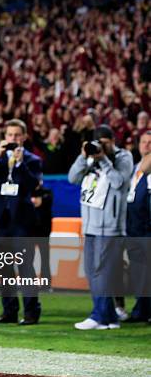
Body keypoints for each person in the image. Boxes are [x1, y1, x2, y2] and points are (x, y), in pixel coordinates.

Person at [68, 125, 133, 330]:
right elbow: (72, 178)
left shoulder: (124, 157)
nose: (101, 147)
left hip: (111, 227)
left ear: (113, 141)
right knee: (91, 271)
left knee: (102, 272)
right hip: (90, 225)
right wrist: (83, 157)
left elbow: (119, 182)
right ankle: (108, 317)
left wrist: (103, 160)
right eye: (98, 143)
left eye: (105, 142)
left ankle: (100, 316)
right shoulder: (90, 159)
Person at [0, 119, 43, 325]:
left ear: (24, 137)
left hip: (21, 222)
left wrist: (20, 163)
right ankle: (9, 311)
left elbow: (33, 185)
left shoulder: (32, 160)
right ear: (4, 137)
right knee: (4, 268)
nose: (13, 139)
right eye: (9, 135)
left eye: (17, 135)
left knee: (26, 268)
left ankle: (31, 312)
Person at [124, 131, 151, 323]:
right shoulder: (133, 169)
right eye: (144, 142)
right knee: (139, 271)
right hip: (133, 228)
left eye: (150, 142)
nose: (147, 145)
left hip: (147, 227)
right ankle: (141, 309)